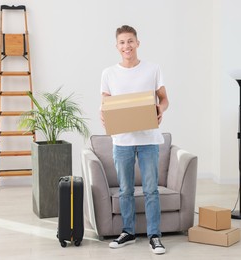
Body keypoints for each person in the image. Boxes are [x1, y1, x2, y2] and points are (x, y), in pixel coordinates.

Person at [100, 25, 169, 255]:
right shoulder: (109, 73)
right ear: (117, 46)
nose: (126, 46)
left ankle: (155, 236)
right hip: (122, 141)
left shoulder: (153, 69)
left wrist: (161, 109)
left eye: (130, 41)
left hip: (148, 138)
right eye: (122, 42)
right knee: (126, 190)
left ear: (137, 43)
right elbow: (105, 104)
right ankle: (128, 232)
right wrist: (104, 115)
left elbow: (164, 99)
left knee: (151, 189)